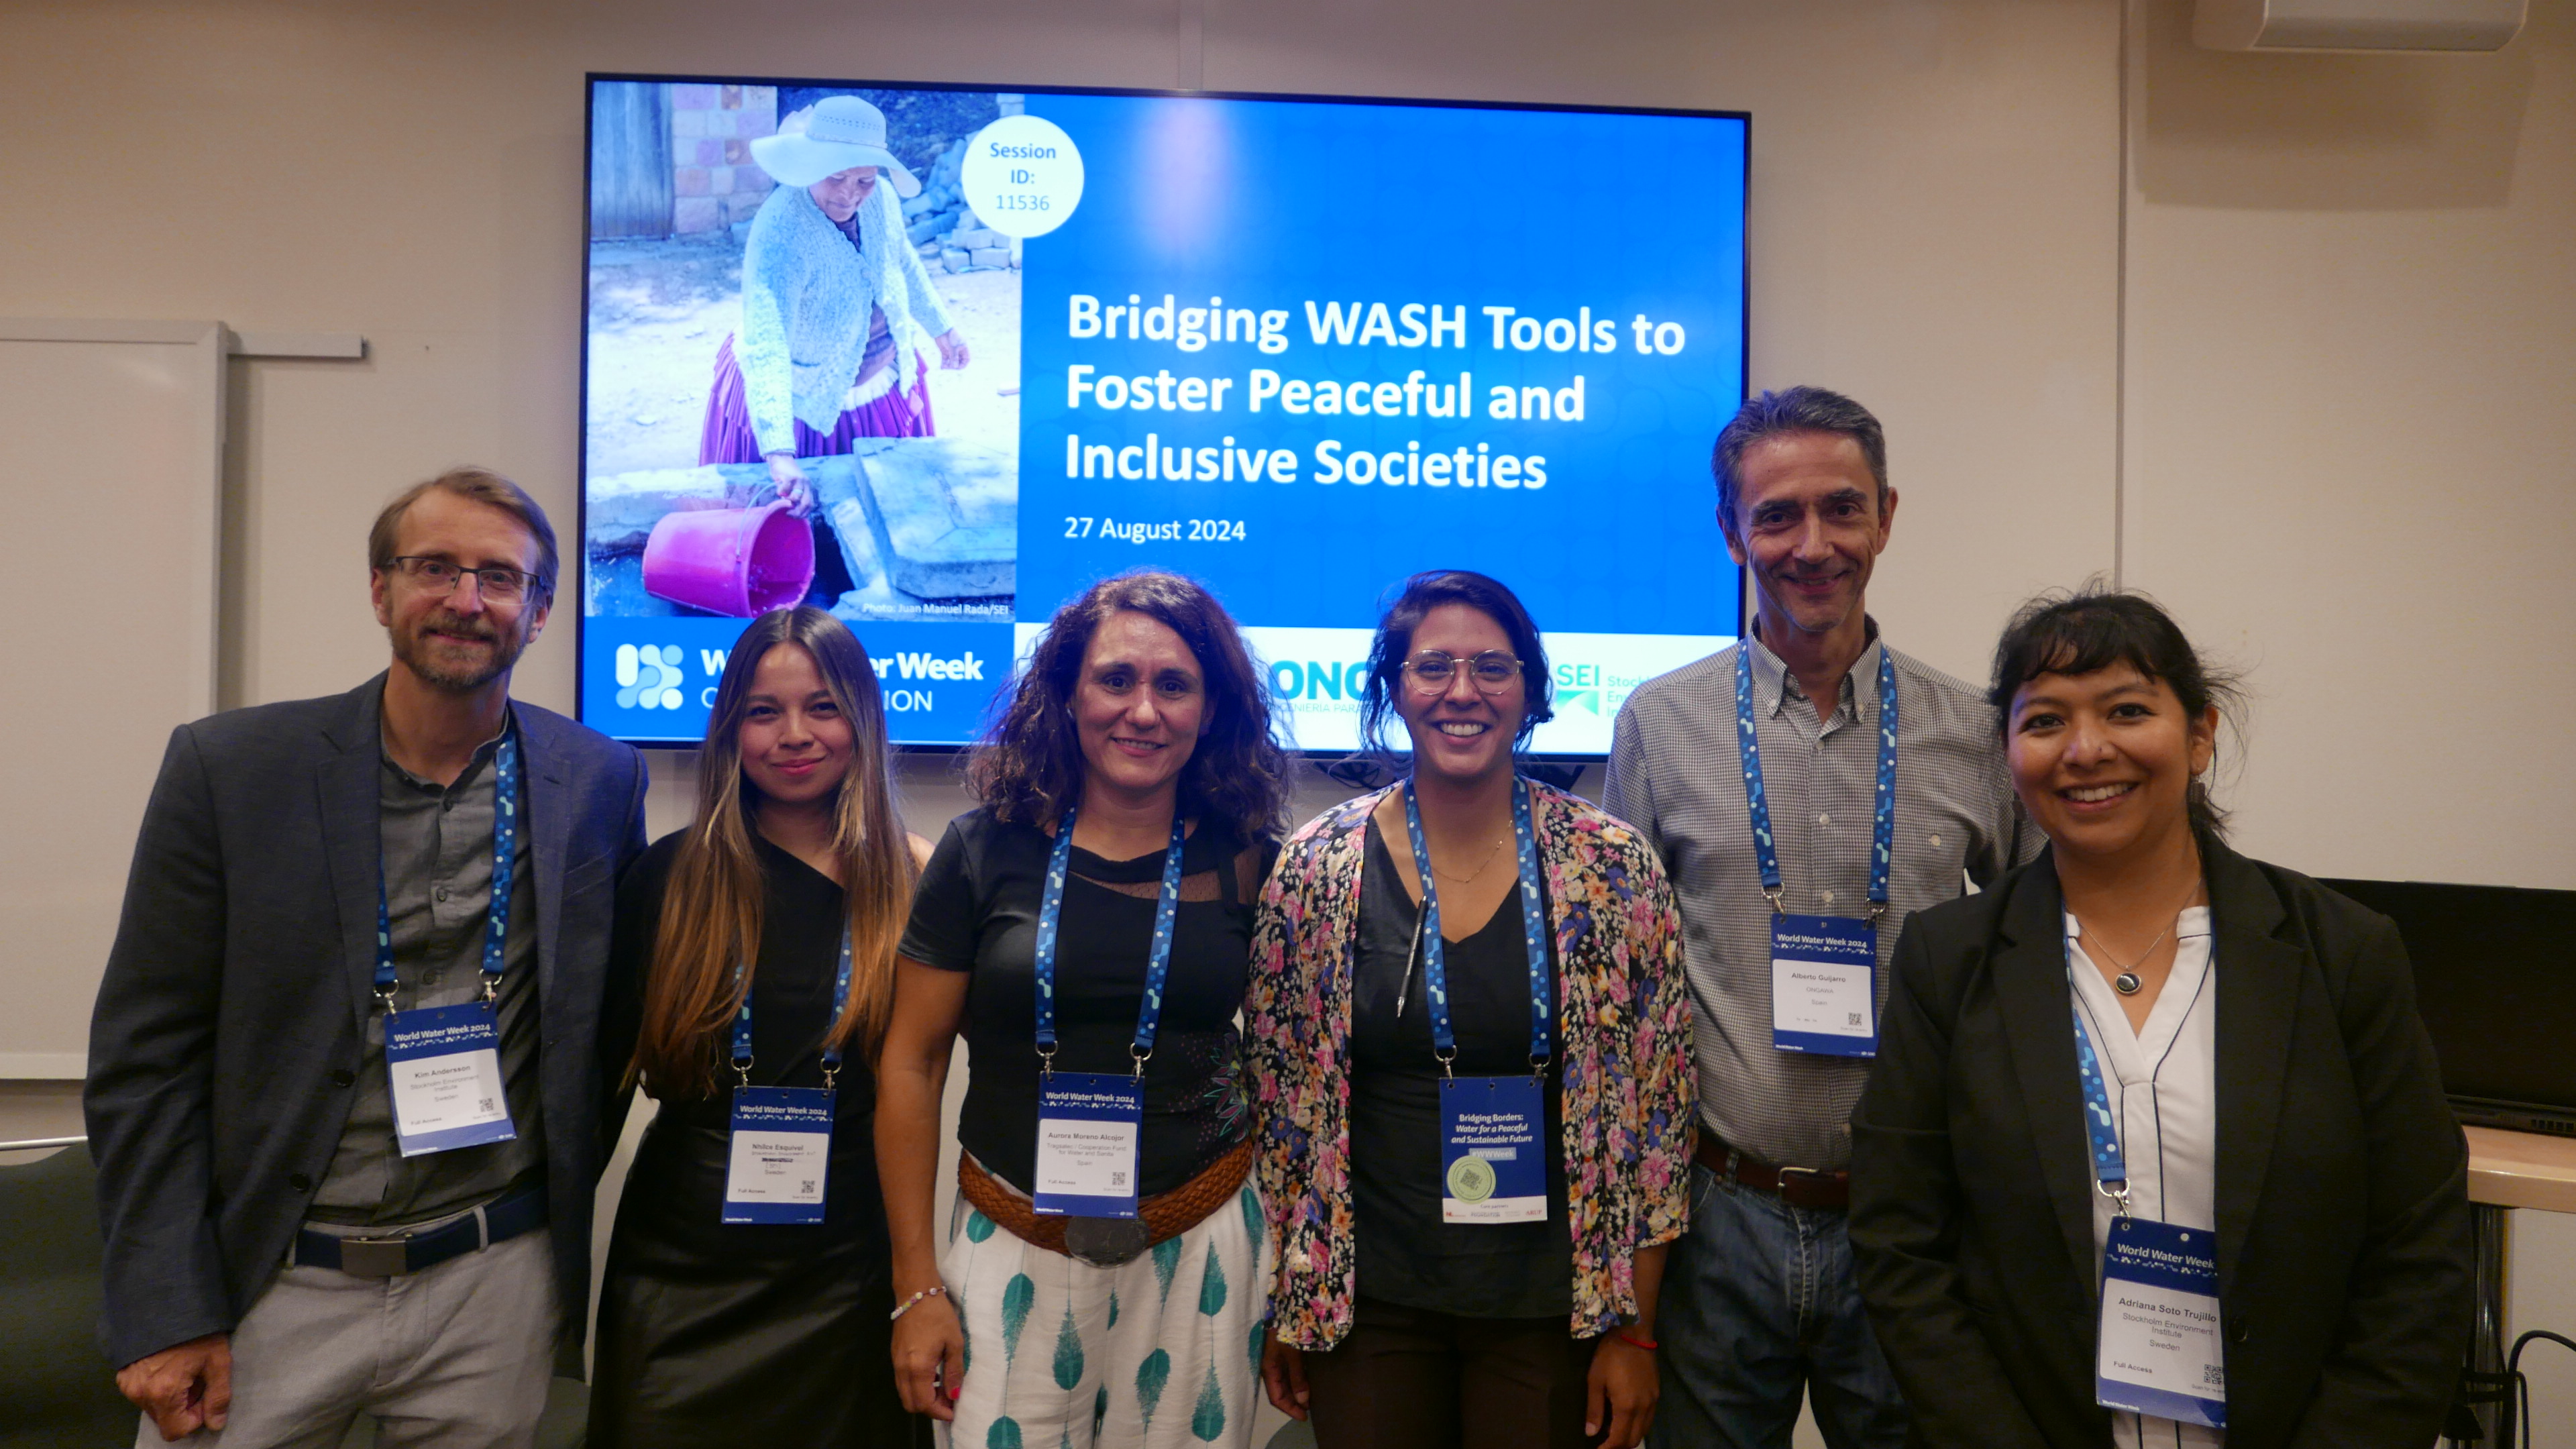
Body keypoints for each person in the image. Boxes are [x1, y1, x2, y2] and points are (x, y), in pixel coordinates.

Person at [85, 467, 648, 1447]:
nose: (466, 599)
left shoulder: (598, 778)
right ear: (381, 590)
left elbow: (605, 1034)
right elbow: (146, 1060)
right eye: (434, 567)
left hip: (491, 1286)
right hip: (272, 1282)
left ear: (542, 611)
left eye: (500, 577)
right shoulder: (233, 771)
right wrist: (166, 1307)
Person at [1849, 590, 2472, 1448]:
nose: (2086, 750)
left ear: (2201, 734)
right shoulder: (1948, 961)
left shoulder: (2342, 955)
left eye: (2127, 711)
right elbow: (1900, 1246)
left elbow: (2421, 1252)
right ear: (2009, 755)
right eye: (2045, 721)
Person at [1603, 386, 2039, 1449]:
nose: (1812, 545)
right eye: (1777, 516)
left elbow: (2035, 961)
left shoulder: (1976, 732)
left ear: (1886, 517)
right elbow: (1621, 990)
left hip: (1914, 1224)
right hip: (1720, 1216)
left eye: (1842, 509)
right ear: (1730, 533)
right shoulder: (1659, 723)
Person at [1251, 570, 1694, 1449]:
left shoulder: (1613, 867)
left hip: (1552, 1305)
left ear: (1530, 690)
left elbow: (1660, 1117)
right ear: (1394, 689)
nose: (1463, 692)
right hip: (1367, 1305)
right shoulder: (1315, 866)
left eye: (1492, 667)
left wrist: (1636, 1330)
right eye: (1434, 667)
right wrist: (1289, 1301)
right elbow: (1281, 1104)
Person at [876, 570, 1289, 1449]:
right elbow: (912, 1063)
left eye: (1174, 685)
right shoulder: (981, 849)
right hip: (1010, 1238)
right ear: (1066, 694)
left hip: (1203, 1243)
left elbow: (1295, 1077)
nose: (1143, 711)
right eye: (1116, 680)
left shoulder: (1253, 859)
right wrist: (916, 1285)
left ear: (1211, 709)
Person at [590, 606, 930, 1447]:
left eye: (823, 708)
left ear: (862, 719)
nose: (795, 735)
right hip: (681, 1262)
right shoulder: (668, 876)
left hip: (846, 1264)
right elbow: (594, 1083)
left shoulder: (918, 879)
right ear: (730, 730)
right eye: (764, 712)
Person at [700, 94, 972, 517]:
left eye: (864, 180)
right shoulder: (781, 230)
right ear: (811, 165)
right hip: (801, 394)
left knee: (885, 513)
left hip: (880, 381)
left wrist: (942, 327)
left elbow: (900, 261)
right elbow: (768, 341)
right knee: (801, 525)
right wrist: (779, 452)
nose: (849, 194)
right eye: (836, 177)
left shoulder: (882, 197)